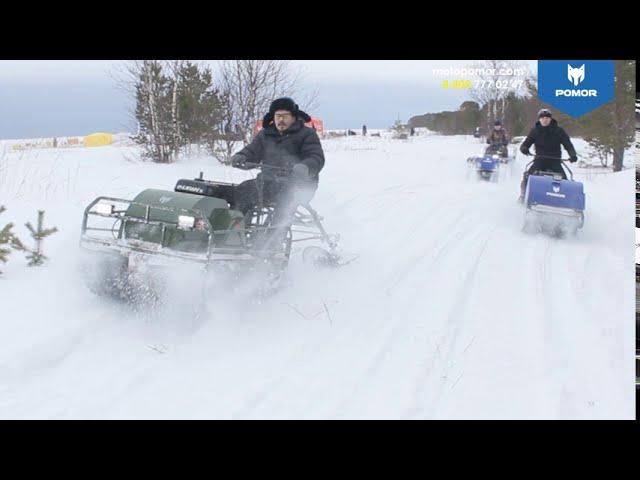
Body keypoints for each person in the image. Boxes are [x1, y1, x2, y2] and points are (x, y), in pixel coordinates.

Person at [211, 97, 325, 248]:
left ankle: (271, 246)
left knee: (286, 201)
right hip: (267, 182)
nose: (281, 120)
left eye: (285, 116)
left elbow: (316, 157)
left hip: (299, 185)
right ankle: (234, 238)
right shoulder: (266, 134)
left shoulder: (306, 134)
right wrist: (243, 156)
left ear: (294, 116)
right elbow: (253, 150)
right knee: (242, 191)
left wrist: (305, 167)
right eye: (278, 116)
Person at [518, 108, 578, 203]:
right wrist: (524, 149)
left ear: (550, 119)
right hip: (539, 160)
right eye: (542, 118)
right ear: (539, 119)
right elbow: (526, 143)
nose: (545, 120)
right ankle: (523, 196)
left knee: (565, 181)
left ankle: (567, 202)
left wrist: (573, 155)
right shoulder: (535, 131)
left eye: (547, 118)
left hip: (555, 161)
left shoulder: (558, 131)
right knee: (527, 177)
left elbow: (568, 145)